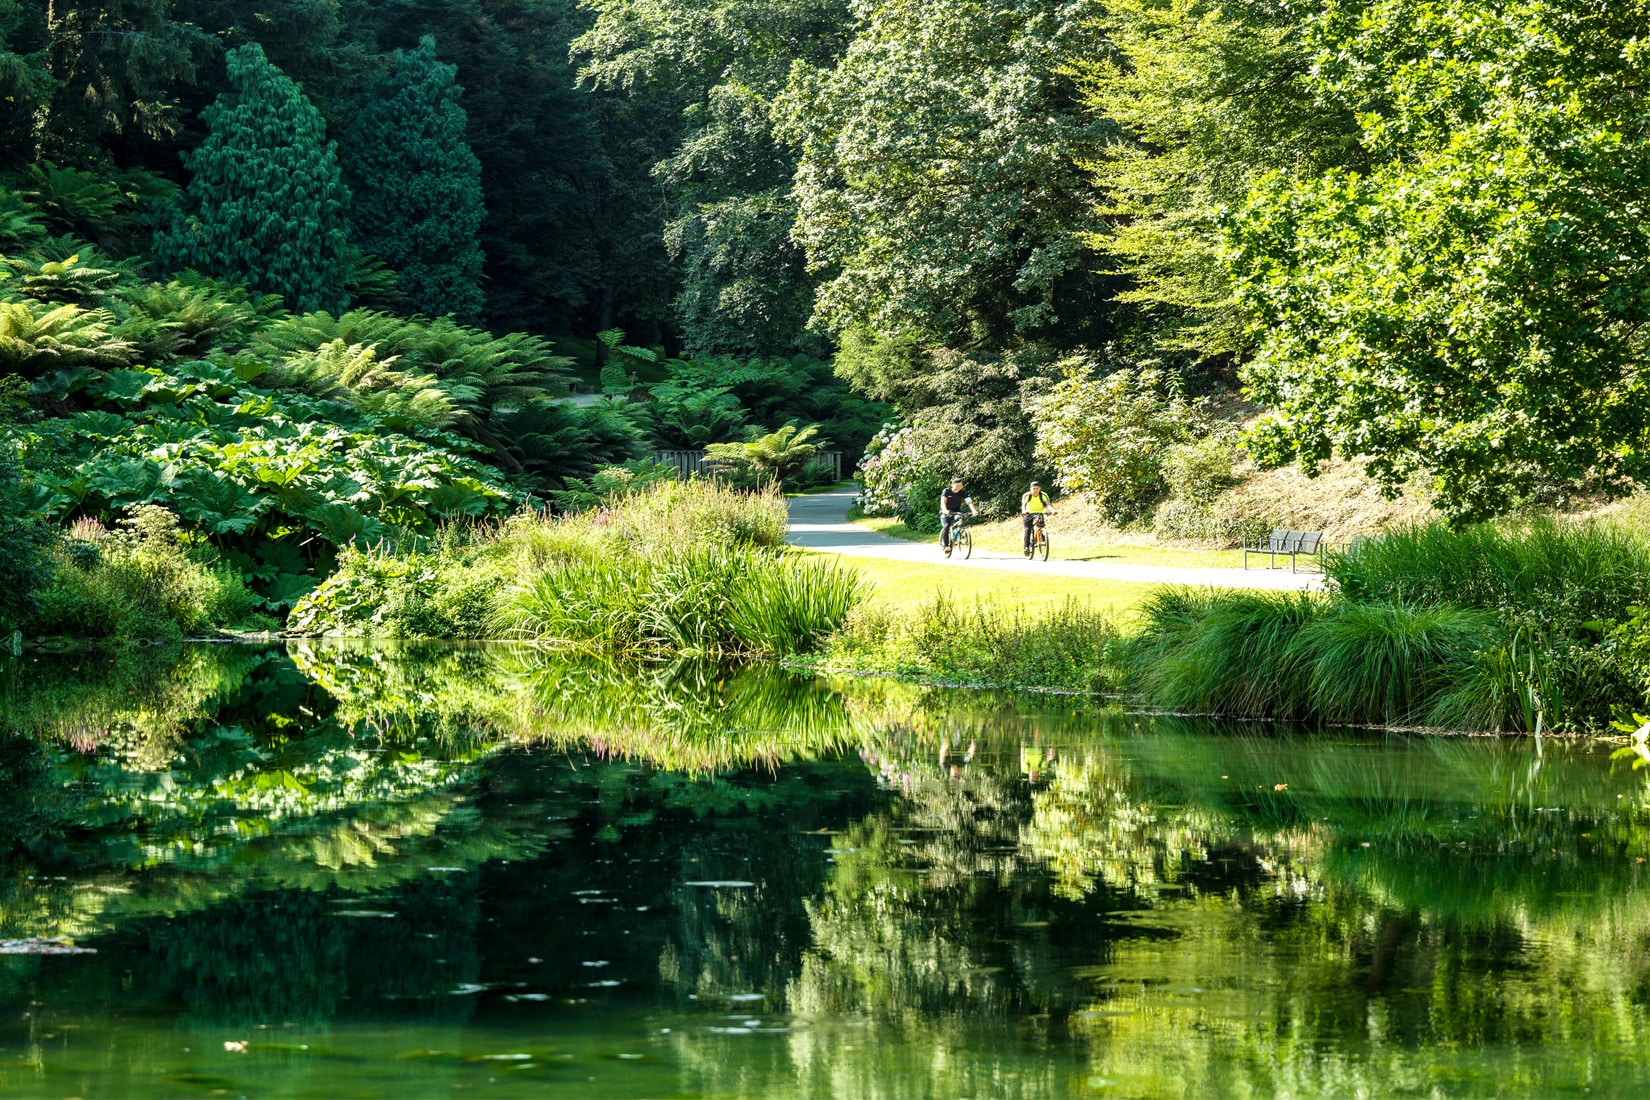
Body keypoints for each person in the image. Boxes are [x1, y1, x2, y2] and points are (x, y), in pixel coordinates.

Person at [938, 478, 978, 555]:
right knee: (946, 526)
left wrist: (973, 510)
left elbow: (969, 501)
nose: (959, 487)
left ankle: (957, 535)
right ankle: (946, 546)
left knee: (960, 521)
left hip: (956, 511)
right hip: (945, 511)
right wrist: (945, 510)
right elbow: (943, 502)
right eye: (957, 485)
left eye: (961, 485)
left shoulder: (963, 492)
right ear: (952, 485)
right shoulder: (946, 491)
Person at [1021, 480, 1054, 556]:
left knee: (1041, 525)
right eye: (1034, 488)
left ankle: (1043, 538)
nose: (1036, 490)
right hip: (1028, 513)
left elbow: (1048, 504)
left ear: (1040, 489)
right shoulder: (1027, 496)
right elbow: (1024, 505)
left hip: (1039, 512)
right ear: (1030, 489)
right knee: (1028, 528)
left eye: (1037, 488)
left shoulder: (1043, 495)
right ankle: (1026, 547)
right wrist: (1024, 511)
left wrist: (1053, 510)